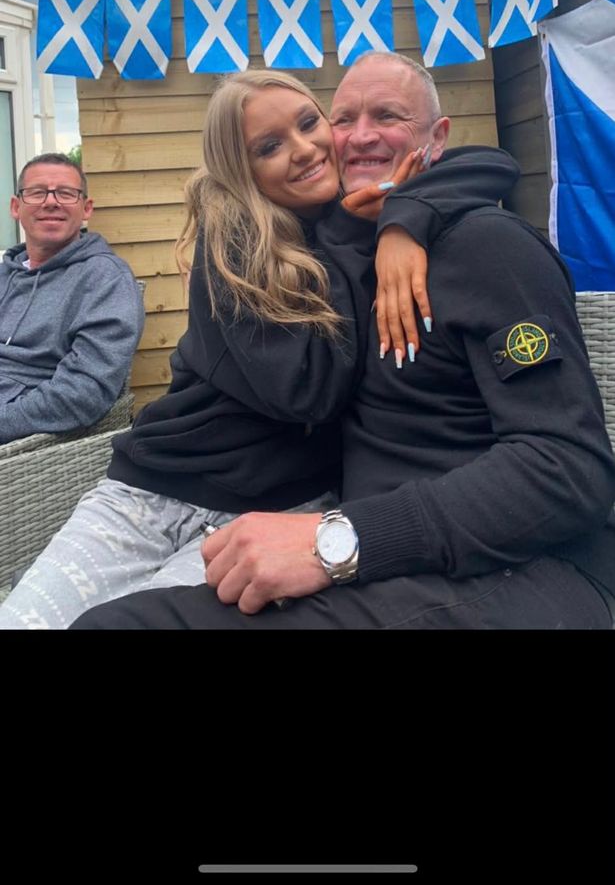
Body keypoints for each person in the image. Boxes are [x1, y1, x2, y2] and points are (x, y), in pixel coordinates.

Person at [72, 52, 615, 630]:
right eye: (343, 118)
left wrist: (341, 539)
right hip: (376, 559)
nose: (359, 137)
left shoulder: (489, 246)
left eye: (388, 116)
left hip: (516, 571)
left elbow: (569, 468)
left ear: (437, 137)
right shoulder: (328, 247)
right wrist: (389, 223)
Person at [0, 152, 144, 445]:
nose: (51, 202)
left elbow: (82, 393)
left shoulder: (105, 280)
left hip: (20, 431)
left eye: (65, 193)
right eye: (37, 192)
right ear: (16, 207)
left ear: (86, 208)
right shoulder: (6, 274)